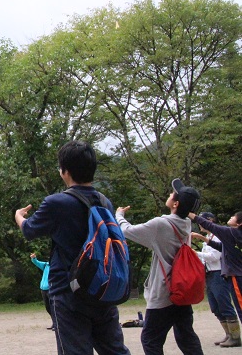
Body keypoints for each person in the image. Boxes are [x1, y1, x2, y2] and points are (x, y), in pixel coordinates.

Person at [15, 140, 130, 355]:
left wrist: (19, 217)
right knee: (114, 350)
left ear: (64, 171)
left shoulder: (56, 203)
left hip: (69, 293)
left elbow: (30, 230)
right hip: (102, 287)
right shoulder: (105, 202)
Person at [115, 178, 204, 355]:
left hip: (165, 292)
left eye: (173, 194)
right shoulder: (186, 223)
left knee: (150, 340)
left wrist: (119, 215)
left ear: (176, 203)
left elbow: (126, 231)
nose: (170, 194)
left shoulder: (161, 225)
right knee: (187, 338)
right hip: (182, 290)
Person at [189, 210, 242, 348]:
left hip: (231, 274)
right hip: (222, 274)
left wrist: (190, 213)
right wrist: (204, 239)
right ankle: (230, 335)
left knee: (235, 306)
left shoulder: (231, 233)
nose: (230, 217)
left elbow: (215, 254)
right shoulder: (232, 235)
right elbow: (221, 247)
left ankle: (235, 337)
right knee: (217, 307)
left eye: (233, 216)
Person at [30, 253, 54, 331]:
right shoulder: (45, 265)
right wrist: (34, 258)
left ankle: (57, 324)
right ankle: (54, 322)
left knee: (53, 306)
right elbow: (36, 262)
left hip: (51, 288)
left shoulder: (55, 266)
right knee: (48, 307)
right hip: (43, 289)